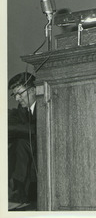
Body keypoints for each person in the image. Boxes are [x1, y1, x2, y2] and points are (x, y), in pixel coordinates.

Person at [8, 72, 37, 210]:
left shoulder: (45, 103)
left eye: (20, 93)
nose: (17, 98)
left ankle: (20, 191)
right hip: (31, 156)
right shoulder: (22, 109)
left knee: (20, 144)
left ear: (33, 90)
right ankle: (18, 191)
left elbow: (36, 130)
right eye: (15, 95)